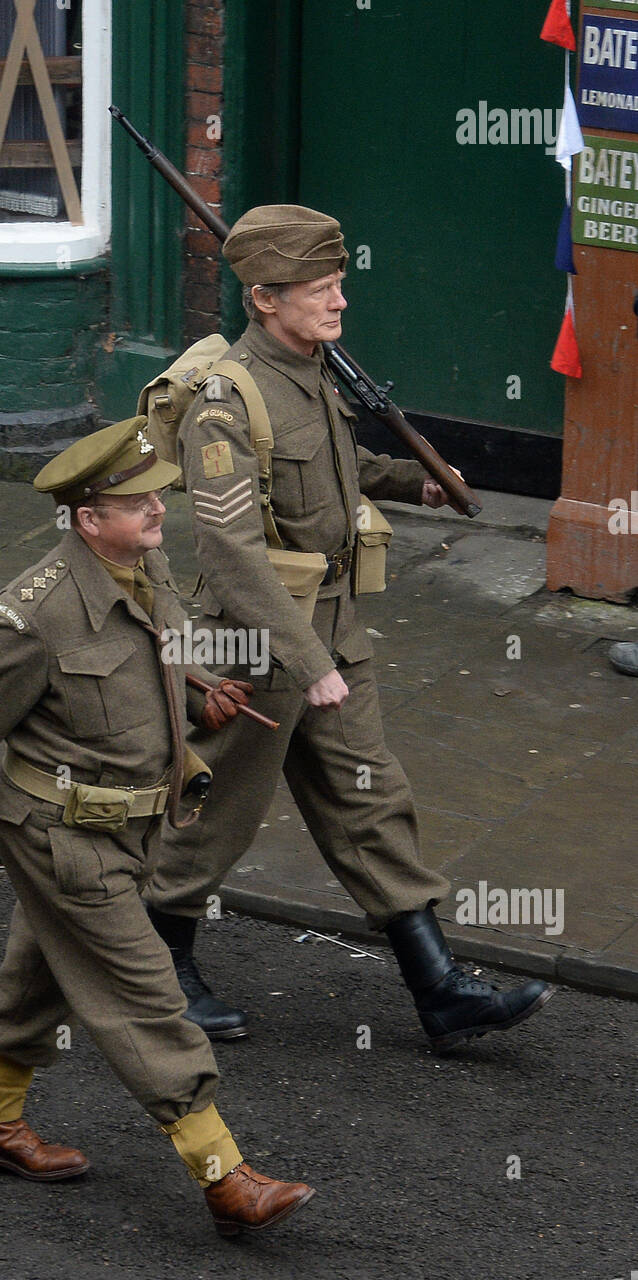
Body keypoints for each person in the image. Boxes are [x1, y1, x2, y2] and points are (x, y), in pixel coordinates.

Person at [0, 416, 315, 1238]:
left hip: (129, 825)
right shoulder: (36, 614)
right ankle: (225, 1176)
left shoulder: (143, 568)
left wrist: (197, 694)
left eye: (159, 498)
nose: (160, 514)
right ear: (89, 520)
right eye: (139, 503)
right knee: (144, 993)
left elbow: (157, 653)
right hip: (60, 829)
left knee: (41, 972)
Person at [145, 205, 556, 1052]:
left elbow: (338, 468)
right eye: (320, 291)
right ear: (263, 298)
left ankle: (439, 990)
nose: (339, 304)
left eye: (339, 287)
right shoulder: (227, 402)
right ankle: (157, 978)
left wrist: (416, 482)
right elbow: (228, 550)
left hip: (332, 627)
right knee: (212, 810)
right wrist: (303, 662)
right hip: (250, 645)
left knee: (371, 799)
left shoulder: (314, 372)